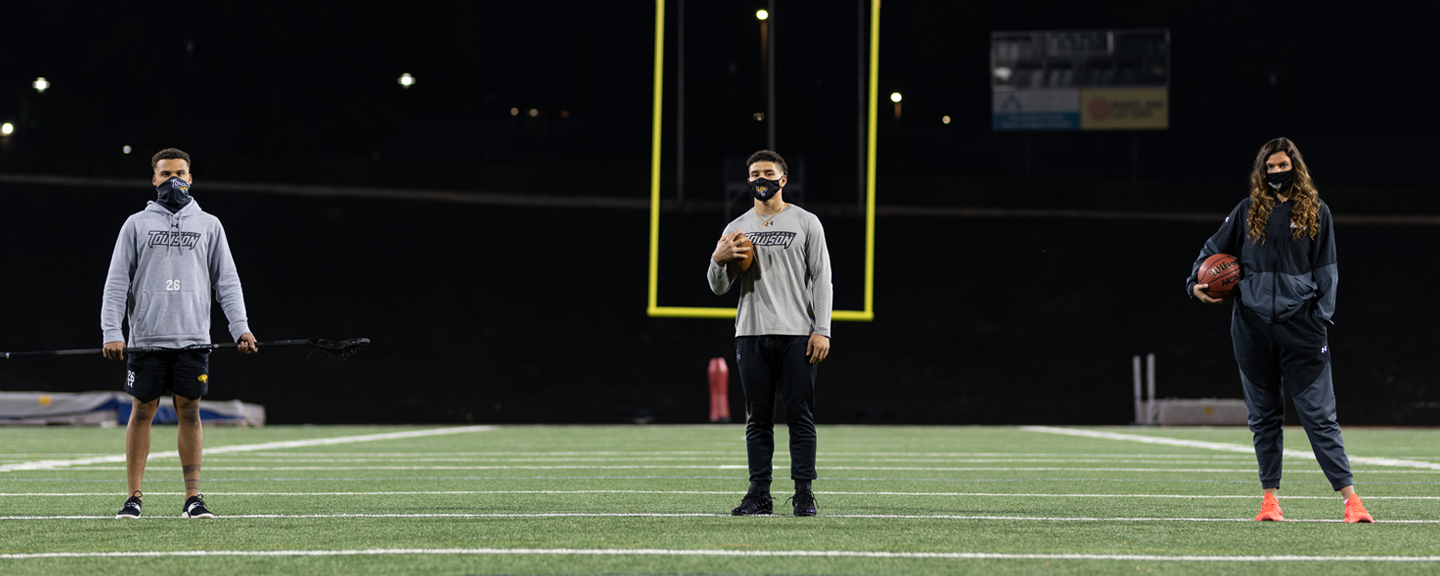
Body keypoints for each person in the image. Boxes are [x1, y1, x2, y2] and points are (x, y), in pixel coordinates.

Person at [1186, 137, 1372, 523]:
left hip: (1301, 328)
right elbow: (1210, 252)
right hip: (1251, 328)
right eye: (1269, 167)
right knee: (1263, 417)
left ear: (1295, 167)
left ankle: (1351, 501)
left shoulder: (1317, 211)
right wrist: (1194, 283)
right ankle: (1269, 500)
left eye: (1282, 166)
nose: (1275, 173)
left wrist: (1319, 318)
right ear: (1261, 171)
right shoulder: (1247, 210)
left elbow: (1327, 270)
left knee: (1319, 417)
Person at [101, 148, 257, 519]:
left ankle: (193, 499)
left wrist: (241, 327)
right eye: (166, 174)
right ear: (154, 180)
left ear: (191, 178)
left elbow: (227, 282)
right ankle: (133, 498)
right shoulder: (136, 224)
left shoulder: (209, 224)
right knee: (142, 411)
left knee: (189, 411)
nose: (174, 180)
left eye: (181, 173)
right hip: (146, 339)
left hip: (192, 337)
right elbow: (116, 282)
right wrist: (112, 329)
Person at [708, 150, 832, 517]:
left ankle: (804, 493)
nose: (760, 178)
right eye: (754, 173)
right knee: (757, 418)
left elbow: (822, 278)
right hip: (751, 332)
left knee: (800, 415)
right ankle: (758, 493)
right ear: (748, 180)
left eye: (768, 172)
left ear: (782, 179)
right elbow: (718, 288)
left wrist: (821, 329)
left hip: (797, 332)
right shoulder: (736, 228)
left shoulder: (806, 222)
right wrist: (717, 259)